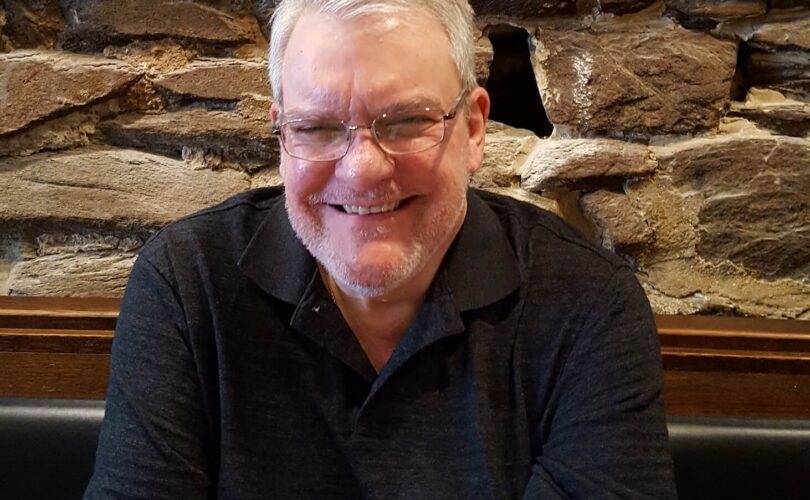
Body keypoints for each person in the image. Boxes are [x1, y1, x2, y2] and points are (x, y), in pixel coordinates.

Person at [85, 0, 676, 498]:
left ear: (472, 131)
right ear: (282, 137)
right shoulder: (187, 285)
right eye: (317, 127)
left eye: (406, 121)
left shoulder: (588, 305)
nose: (363, 169)